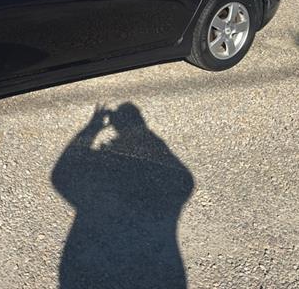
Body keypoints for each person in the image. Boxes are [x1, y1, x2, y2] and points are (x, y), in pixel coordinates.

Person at [52, 103, 195, 288]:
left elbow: (62, 173)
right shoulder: (166, 198)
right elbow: (184, 180)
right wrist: (138, 134)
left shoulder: (96, 196)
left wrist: (92, 129)